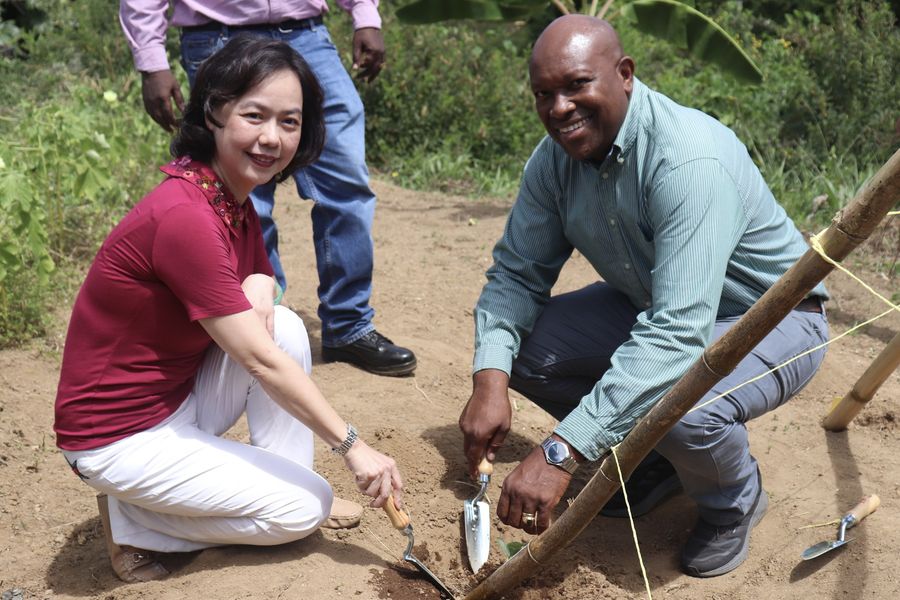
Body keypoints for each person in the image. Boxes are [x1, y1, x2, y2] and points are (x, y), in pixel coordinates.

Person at [459, 15, 830, 578]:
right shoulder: (554, 160)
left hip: (773, 319)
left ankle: (734, 501)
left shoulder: (688, 160)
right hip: (654, 304)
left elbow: (678, 333)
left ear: (625, 74)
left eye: (577, 85)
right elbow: (516, 274)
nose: (559, 108)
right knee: (522, 353)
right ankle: (654, 461)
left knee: (682, 405)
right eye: (543, 95)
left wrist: (561, 451)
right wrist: (489, 379)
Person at [54, 37, 404, 584]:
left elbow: (259, 278)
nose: (272, 138)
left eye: (289, 122)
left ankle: (289, 483)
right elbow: (259, 362)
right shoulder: (185, 216)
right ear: (215, 111)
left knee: (285, 327)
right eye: (254, 115)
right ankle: (136, 521)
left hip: (173, 401)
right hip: (116, 437)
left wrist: (262, 282)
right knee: (303, 511)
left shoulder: (228, 197)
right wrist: (353, 447)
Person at [119, 0, 417, 376]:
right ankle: (268, 327)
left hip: (307, 33)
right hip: (218, 37)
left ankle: (348, 325)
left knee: (347, 182)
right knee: (245, 194)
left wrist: (365, 14)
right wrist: (151, 60)